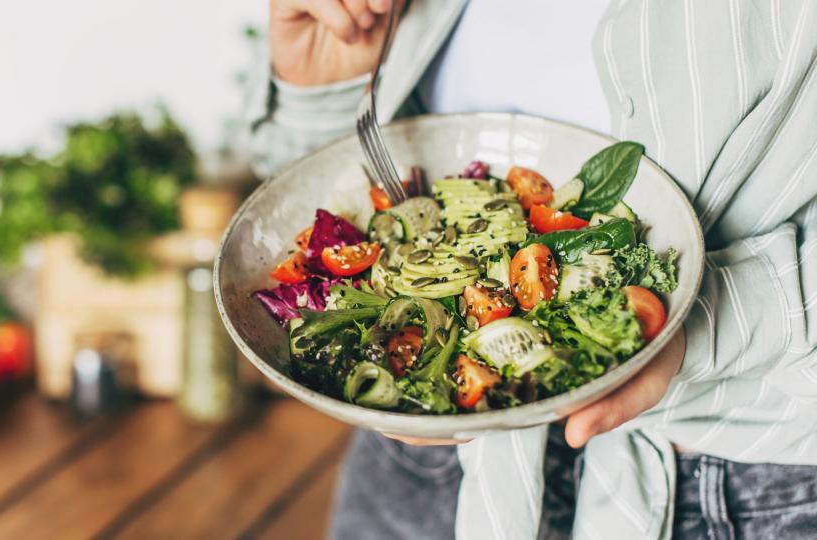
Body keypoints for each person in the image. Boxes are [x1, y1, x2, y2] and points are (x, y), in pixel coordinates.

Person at [247, 1, 817, 538]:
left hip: (738, 484)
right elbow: (314, 198)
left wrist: (715, 314)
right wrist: (325, 88)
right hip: (423, 455)